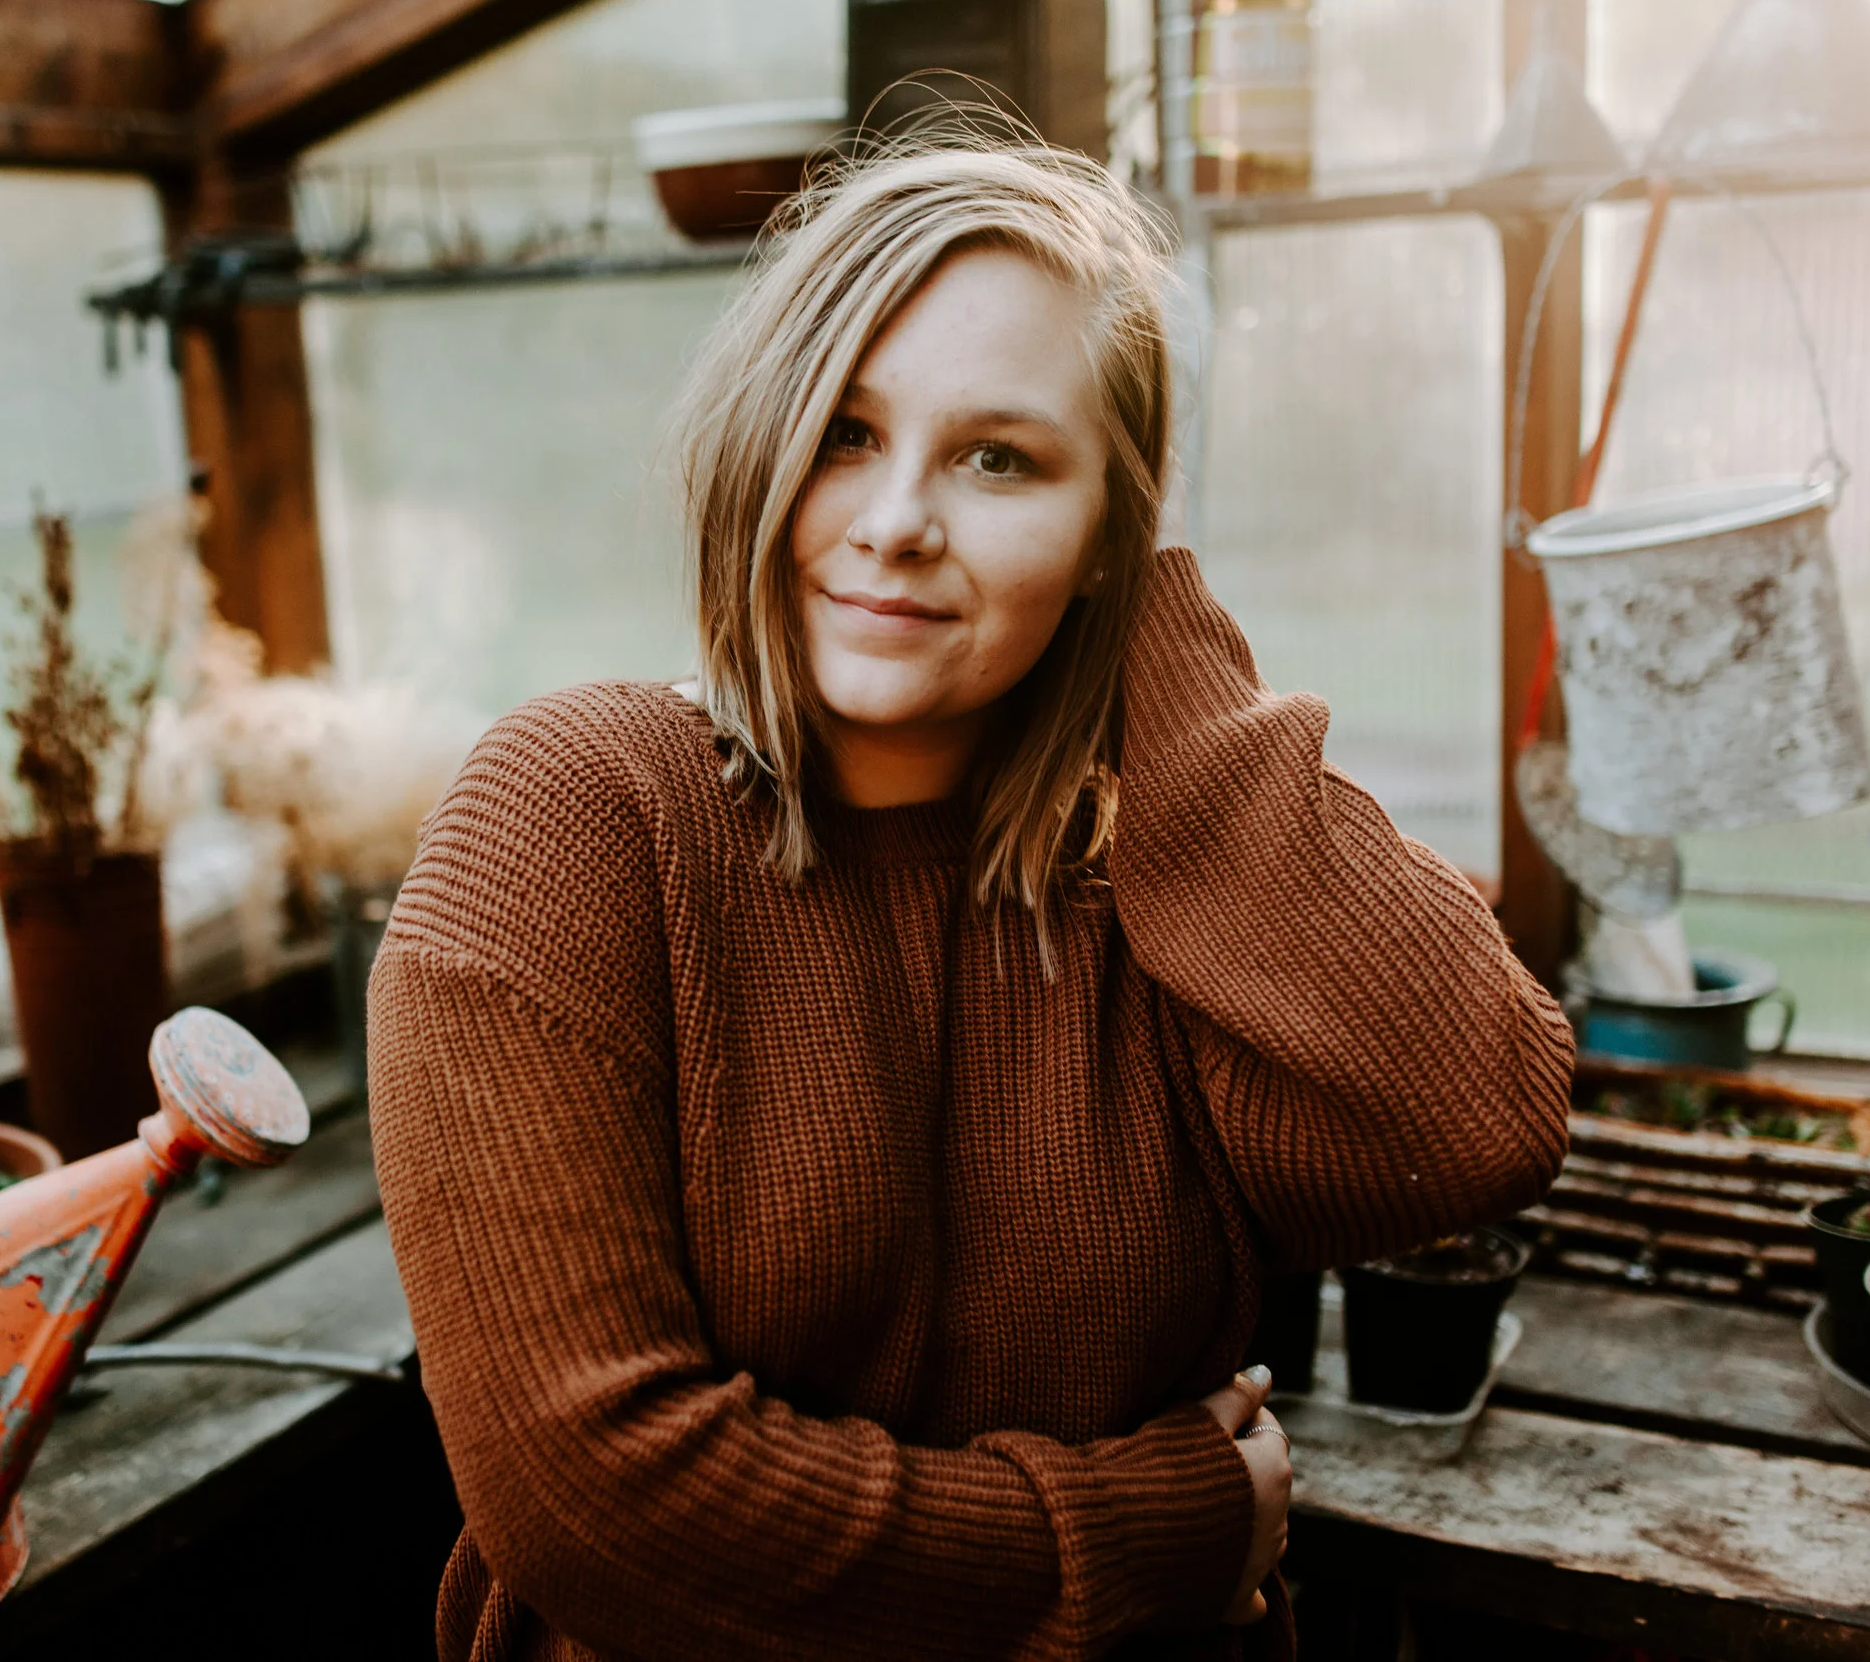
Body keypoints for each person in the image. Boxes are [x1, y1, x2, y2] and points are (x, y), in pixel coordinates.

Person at [367, 136, 1572, 1662]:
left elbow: (1477, 1123)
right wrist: (1146, 1527)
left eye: (1002, 457)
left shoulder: (1165, 886)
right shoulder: (581, 817)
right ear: (761, 445)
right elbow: (597, 1495)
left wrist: (1160, 627)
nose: (897, 522)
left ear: (1105, 538)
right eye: (846, 432)